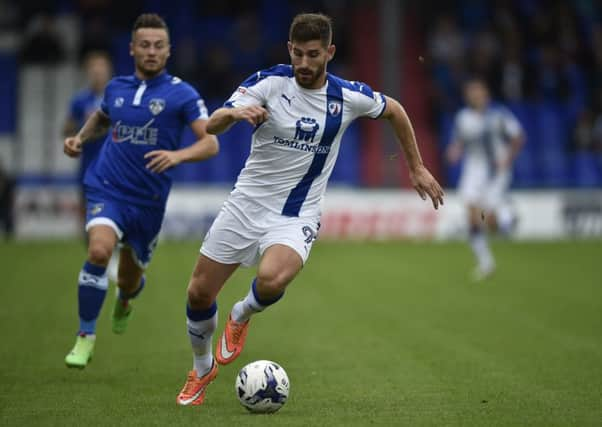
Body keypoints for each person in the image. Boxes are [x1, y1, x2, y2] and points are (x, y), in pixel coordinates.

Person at [176, 12, 444, 406]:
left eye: (313, 54)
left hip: (296, 214)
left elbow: (395, 110)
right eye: (298, 53)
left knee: (271, 279)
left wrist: (416, 167)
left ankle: (241, 314)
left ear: (330, 53)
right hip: (245, 206)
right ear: (289, 49)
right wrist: (234, 114)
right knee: (198, 293)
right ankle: (201, 369)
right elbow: (213, 124)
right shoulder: (268, 82)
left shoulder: (347, 97)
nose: (304, 63)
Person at [62, 13, 219, 369]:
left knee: (131, 279)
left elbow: (210, 144)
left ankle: (127, 297)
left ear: (168, 51)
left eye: (158, 46)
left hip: (147, 203)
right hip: (106, 186)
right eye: (144, 45)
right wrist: (80, 138)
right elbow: (103, 117)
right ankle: (85, 337)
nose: (151, 51)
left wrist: (177, 155)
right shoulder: (116, 88)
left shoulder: (182, 94)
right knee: (99, 251)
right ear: (132, 49)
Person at [446, 77, 524, 281]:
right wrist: (454, 151)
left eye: (478, 91)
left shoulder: (499, 115)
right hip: (473, 170)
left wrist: (507, 159)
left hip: (495, 172)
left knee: (488, 220)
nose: (474, 95)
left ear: (486, 94)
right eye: (471, 92)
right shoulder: (463, 117)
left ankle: (506, 217)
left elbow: (518, 137)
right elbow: (459, 141)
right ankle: (486, 263)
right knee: (472, 216)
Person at [63, 51, 121, 280]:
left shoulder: (119, 98)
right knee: (87, 216)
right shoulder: (80, 101)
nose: (98, 74)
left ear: (108, 71)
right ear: (88, 73)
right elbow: (66, 129)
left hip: (116, 167)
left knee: (115, 214)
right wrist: (82, 131)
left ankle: (112, 257)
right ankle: (95, 257)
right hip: (89, 168)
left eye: (102, 69)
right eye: (94, 70)